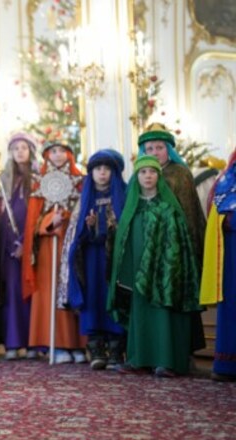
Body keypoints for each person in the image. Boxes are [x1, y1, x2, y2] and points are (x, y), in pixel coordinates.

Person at [108, 155, 201, 377]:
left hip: (163, 273)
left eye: (152, 172)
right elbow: (122, 243)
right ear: (136, 177)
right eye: (143, 172)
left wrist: (166, 268)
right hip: (137, 272)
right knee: (140, 310)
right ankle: (139, 359)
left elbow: (178, 244)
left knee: (162, 312)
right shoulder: (132, 209)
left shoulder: (169, 208)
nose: (148, 176)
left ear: (158, 177)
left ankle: (166, 361)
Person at [137, 124, 207, 354]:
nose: (155, 152)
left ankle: (179, 352)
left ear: (168, 149)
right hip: (147, 248)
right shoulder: (140, 174)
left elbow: (189, 212)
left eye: (159, 147)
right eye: (149, 148)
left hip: (176, 248)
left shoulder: (180, 173)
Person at [22, 142, 86, 364]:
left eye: (62, 151)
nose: (58, 155)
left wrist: (68, 219)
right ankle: (56, 344)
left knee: (71, 290)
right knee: (50, 293)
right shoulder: (39, 184)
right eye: (53, 152)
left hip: (72, 245)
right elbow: (33, 220)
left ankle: (78, 344)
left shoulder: (80, 182)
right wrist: (51, 221)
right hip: (48, 247)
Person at [65, 149, 127, 370]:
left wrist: (105, 228)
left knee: (113, 297)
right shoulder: (85, 200)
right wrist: (89, 229)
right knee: (93, 299)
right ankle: (97, 349)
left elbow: (125, 227)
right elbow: (76, 235)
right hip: (91, 260)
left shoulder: (124, 195)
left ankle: (117, 349)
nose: (102, 173)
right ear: (91, 173)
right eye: (98, 169)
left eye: (107, 169)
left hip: (115, 260)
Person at [0, 132, 38, 360]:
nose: (20, 151)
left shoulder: (38, 179)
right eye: (15, 148)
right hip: (7, 243)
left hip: (30, 242)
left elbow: (38, 213)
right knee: (12, 291)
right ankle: (13, 342)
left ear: (31, 150)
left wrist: (25, 242)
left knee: (30, 292)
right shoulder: (4, 180)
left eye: (24, 147)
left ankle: (32, 342)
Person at [201, 150, 236, 381]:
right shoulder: (226, 180)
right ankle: (227, 364)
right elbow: (216, 210)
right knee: (231, 303)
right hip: (231, 252)